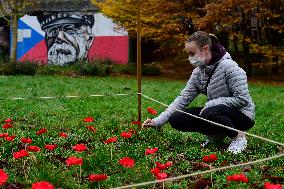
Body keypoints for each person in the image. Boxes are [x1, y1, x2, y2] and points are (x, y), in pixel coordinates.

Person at [142, 31, 255, 154]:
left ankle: (238, 137)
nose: (190, 58)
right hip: (213, 112)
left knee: (210, 111)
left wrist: (213, 103)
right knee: (176, 118)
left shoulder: (230, 67)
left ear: (205, 49)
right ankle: (216, 135)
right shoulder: (198, 72)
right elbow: (182, 99)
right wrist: (157, 121)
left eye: (192, 53)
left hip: (242, 116)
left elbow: (242, 99)